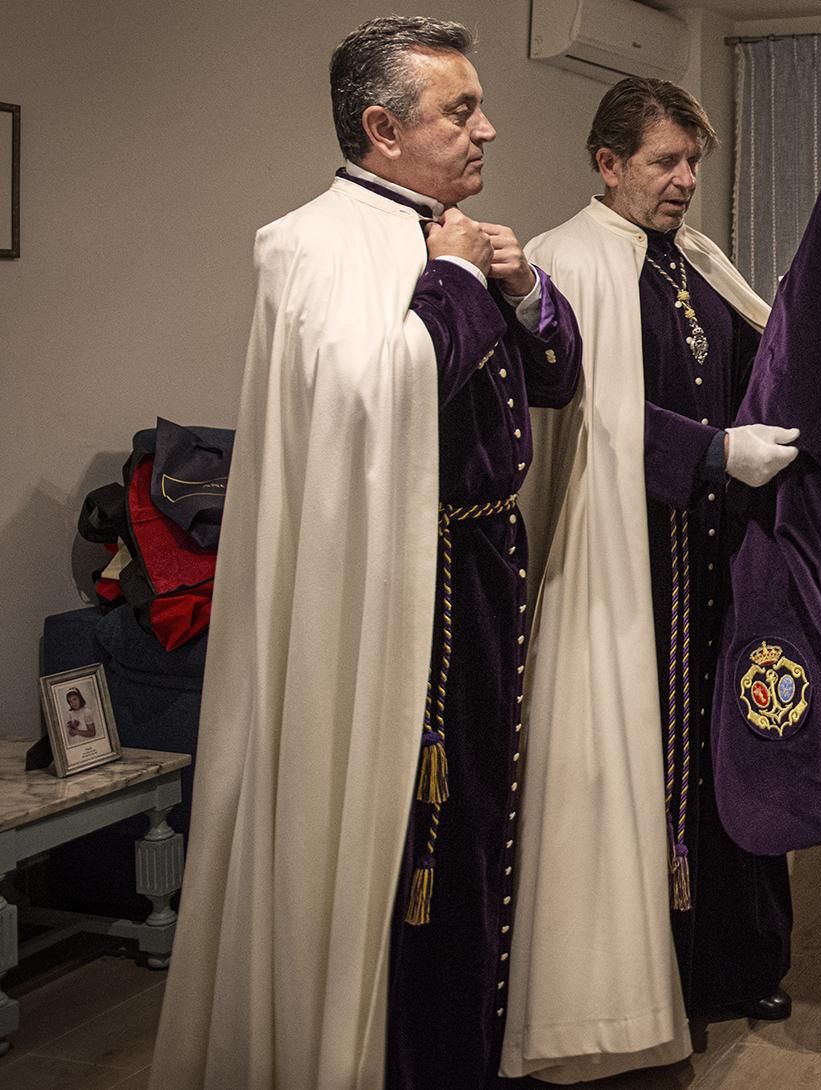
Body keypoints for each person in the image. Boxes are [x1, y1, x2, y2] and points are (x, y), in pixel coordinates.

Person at [150, 16, 581, 1090]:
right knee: (416, 848)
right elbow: (366, 399)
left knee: (485, 828)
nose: (490, 126)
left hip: (479, 575)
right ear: (382, 128)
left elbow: (556, 381)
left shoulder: (456, 234)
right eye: (460, 110)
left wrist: (519, 289)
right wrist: (456, 283)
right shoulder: (308, 240)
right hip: (398, 594)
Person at [502, 77, 795, 1080]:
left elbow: (764, 355)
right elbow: (586, 411)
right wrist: (712, 453)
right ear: (608, 161)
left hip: (714, 560)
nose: (684, 181)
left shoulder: (691, 258)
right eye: (665, 162)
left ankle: (729, 960)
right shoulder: (566, 260)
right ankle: (646, 980)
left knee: (729, 757)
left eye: (691, 163)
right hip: (624, 559)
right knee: (646, 767)